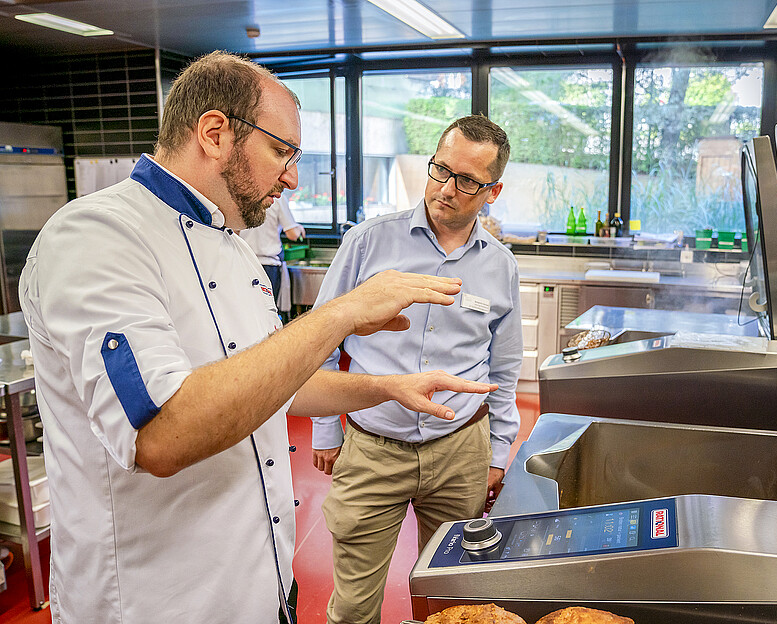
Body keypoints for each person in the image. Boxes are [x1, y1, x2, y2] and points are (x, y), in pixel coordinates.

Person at [18, 51, 496, 624]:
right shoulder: (96, 238)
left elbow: (277, 385)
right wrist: (339, 315)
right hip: (156, 602)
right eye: (282, 151)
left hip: (257, 588)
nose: (291, 177)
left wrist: (389, 387)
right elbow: (163, 435)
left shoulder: (234, 249)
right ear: (215, 133)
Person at [312, 115, 522, 624]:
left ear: (492, 191)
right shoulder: (368, 243)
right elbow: (319, 338)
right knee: (353, 606)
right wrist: (323, 430)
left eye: (467, 181)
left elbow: (505, 367)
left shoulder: (500, 265)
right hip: (373, 447)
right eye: (439, 170)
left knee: (453, 603)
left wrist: (497, 451)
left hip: (460, 452)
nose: (446, 189)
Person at [239, 196, 305, 312]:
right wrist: (298, 228)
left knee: (248, 311)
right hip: (268, 266)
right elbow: (292, 234)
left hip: (244, 263)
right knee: (268, 313)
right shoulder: (278, 199)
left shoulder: (244, 195)